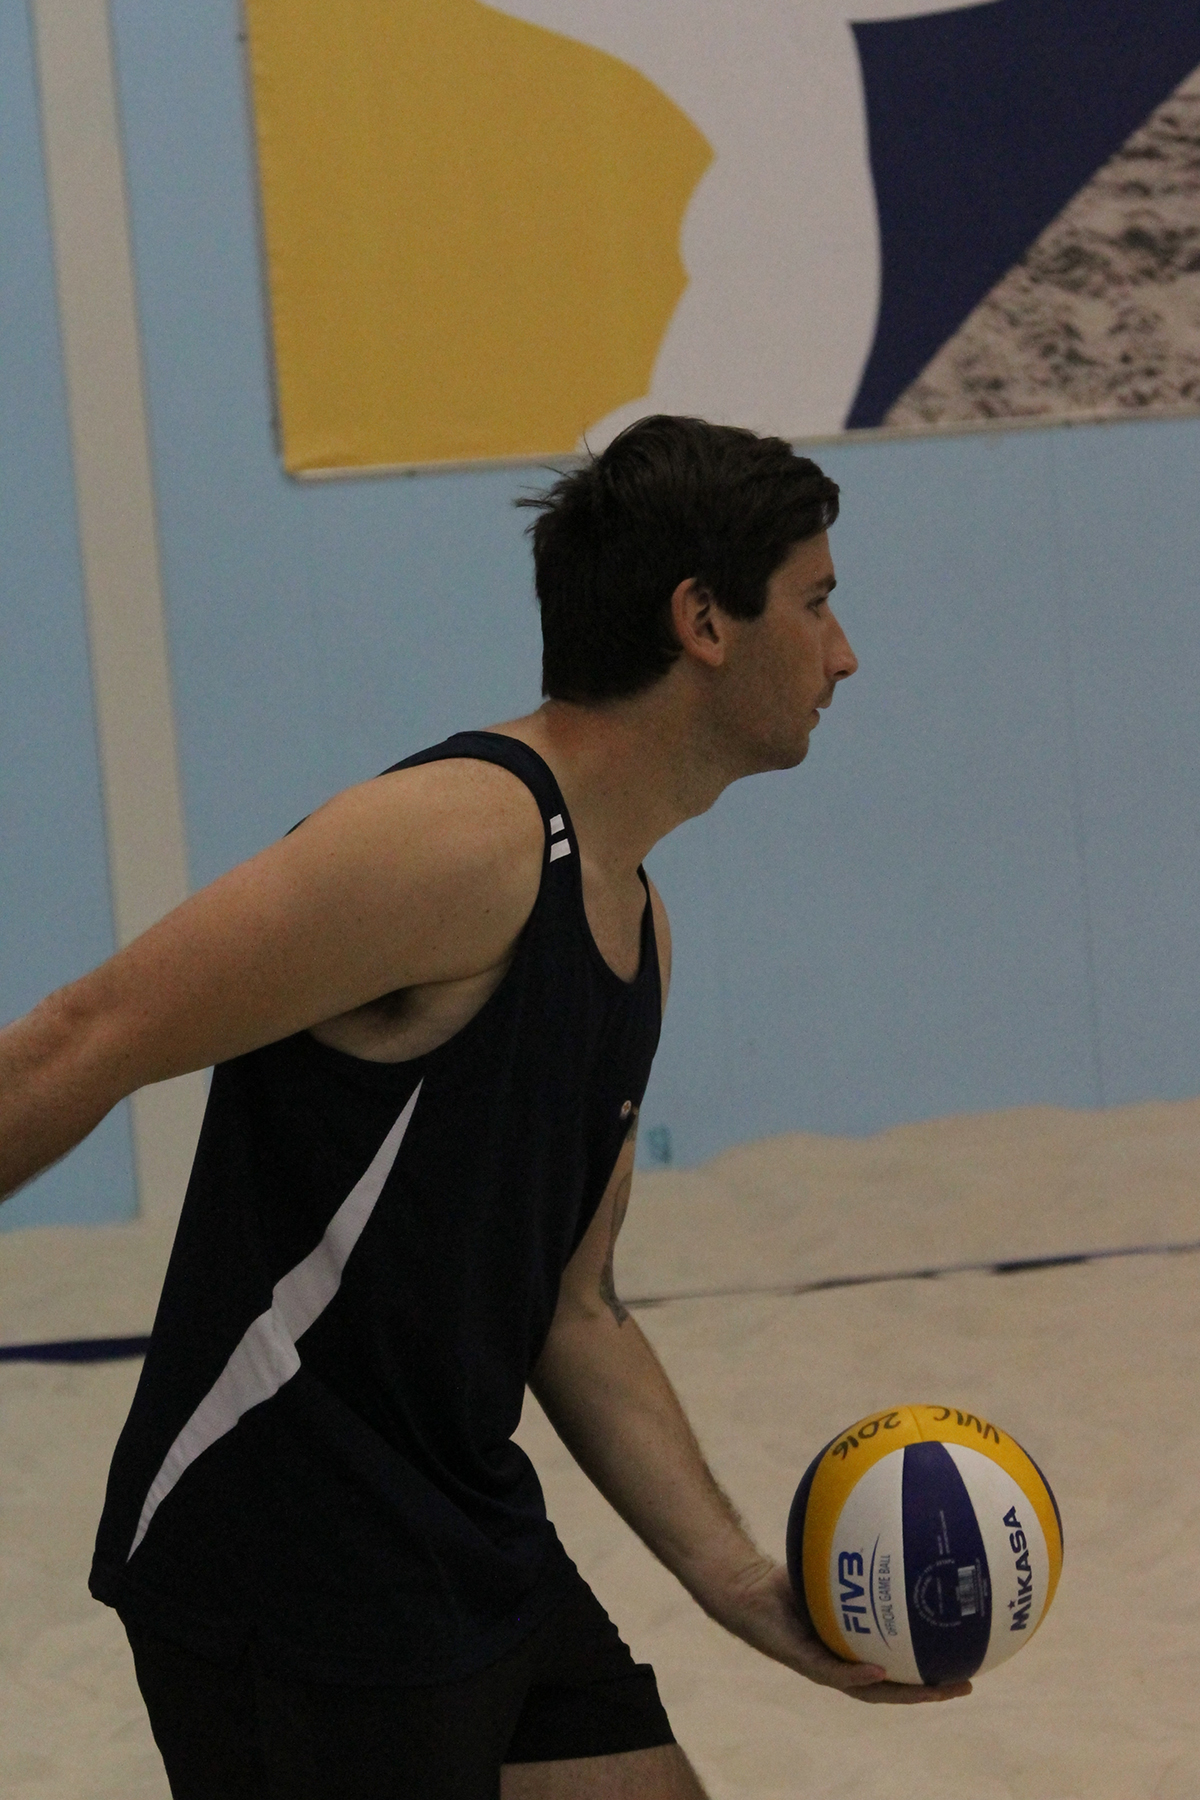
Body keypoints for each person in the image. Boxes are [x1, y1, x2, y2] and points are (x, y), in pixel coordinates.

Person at [0, 417, 968, 1799]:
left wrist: (743, 1585)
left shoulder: (636, 922)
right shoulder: (458, 839)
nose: (845, 651)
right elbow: (83, 1039)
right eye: (816, 602)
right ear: (703, 620)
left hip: (463, 1520)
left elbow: (576, 1310)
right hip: (289, 1553)